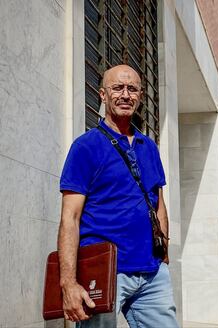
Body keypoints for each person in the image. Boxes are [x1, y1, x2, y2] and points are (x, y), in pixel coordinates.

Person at [57, 64, 179, 328]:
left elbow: (159, 205)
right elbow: (70, 217)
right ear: (103, 95)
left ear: (140, 96)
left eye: (132, 89)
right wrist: (68, 283)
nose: (125, 94)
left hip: (151, 273)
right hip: (103, 270)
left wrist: (164, 254)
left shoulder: (149, 147)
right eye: (117, 88)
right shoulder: (85, 147)